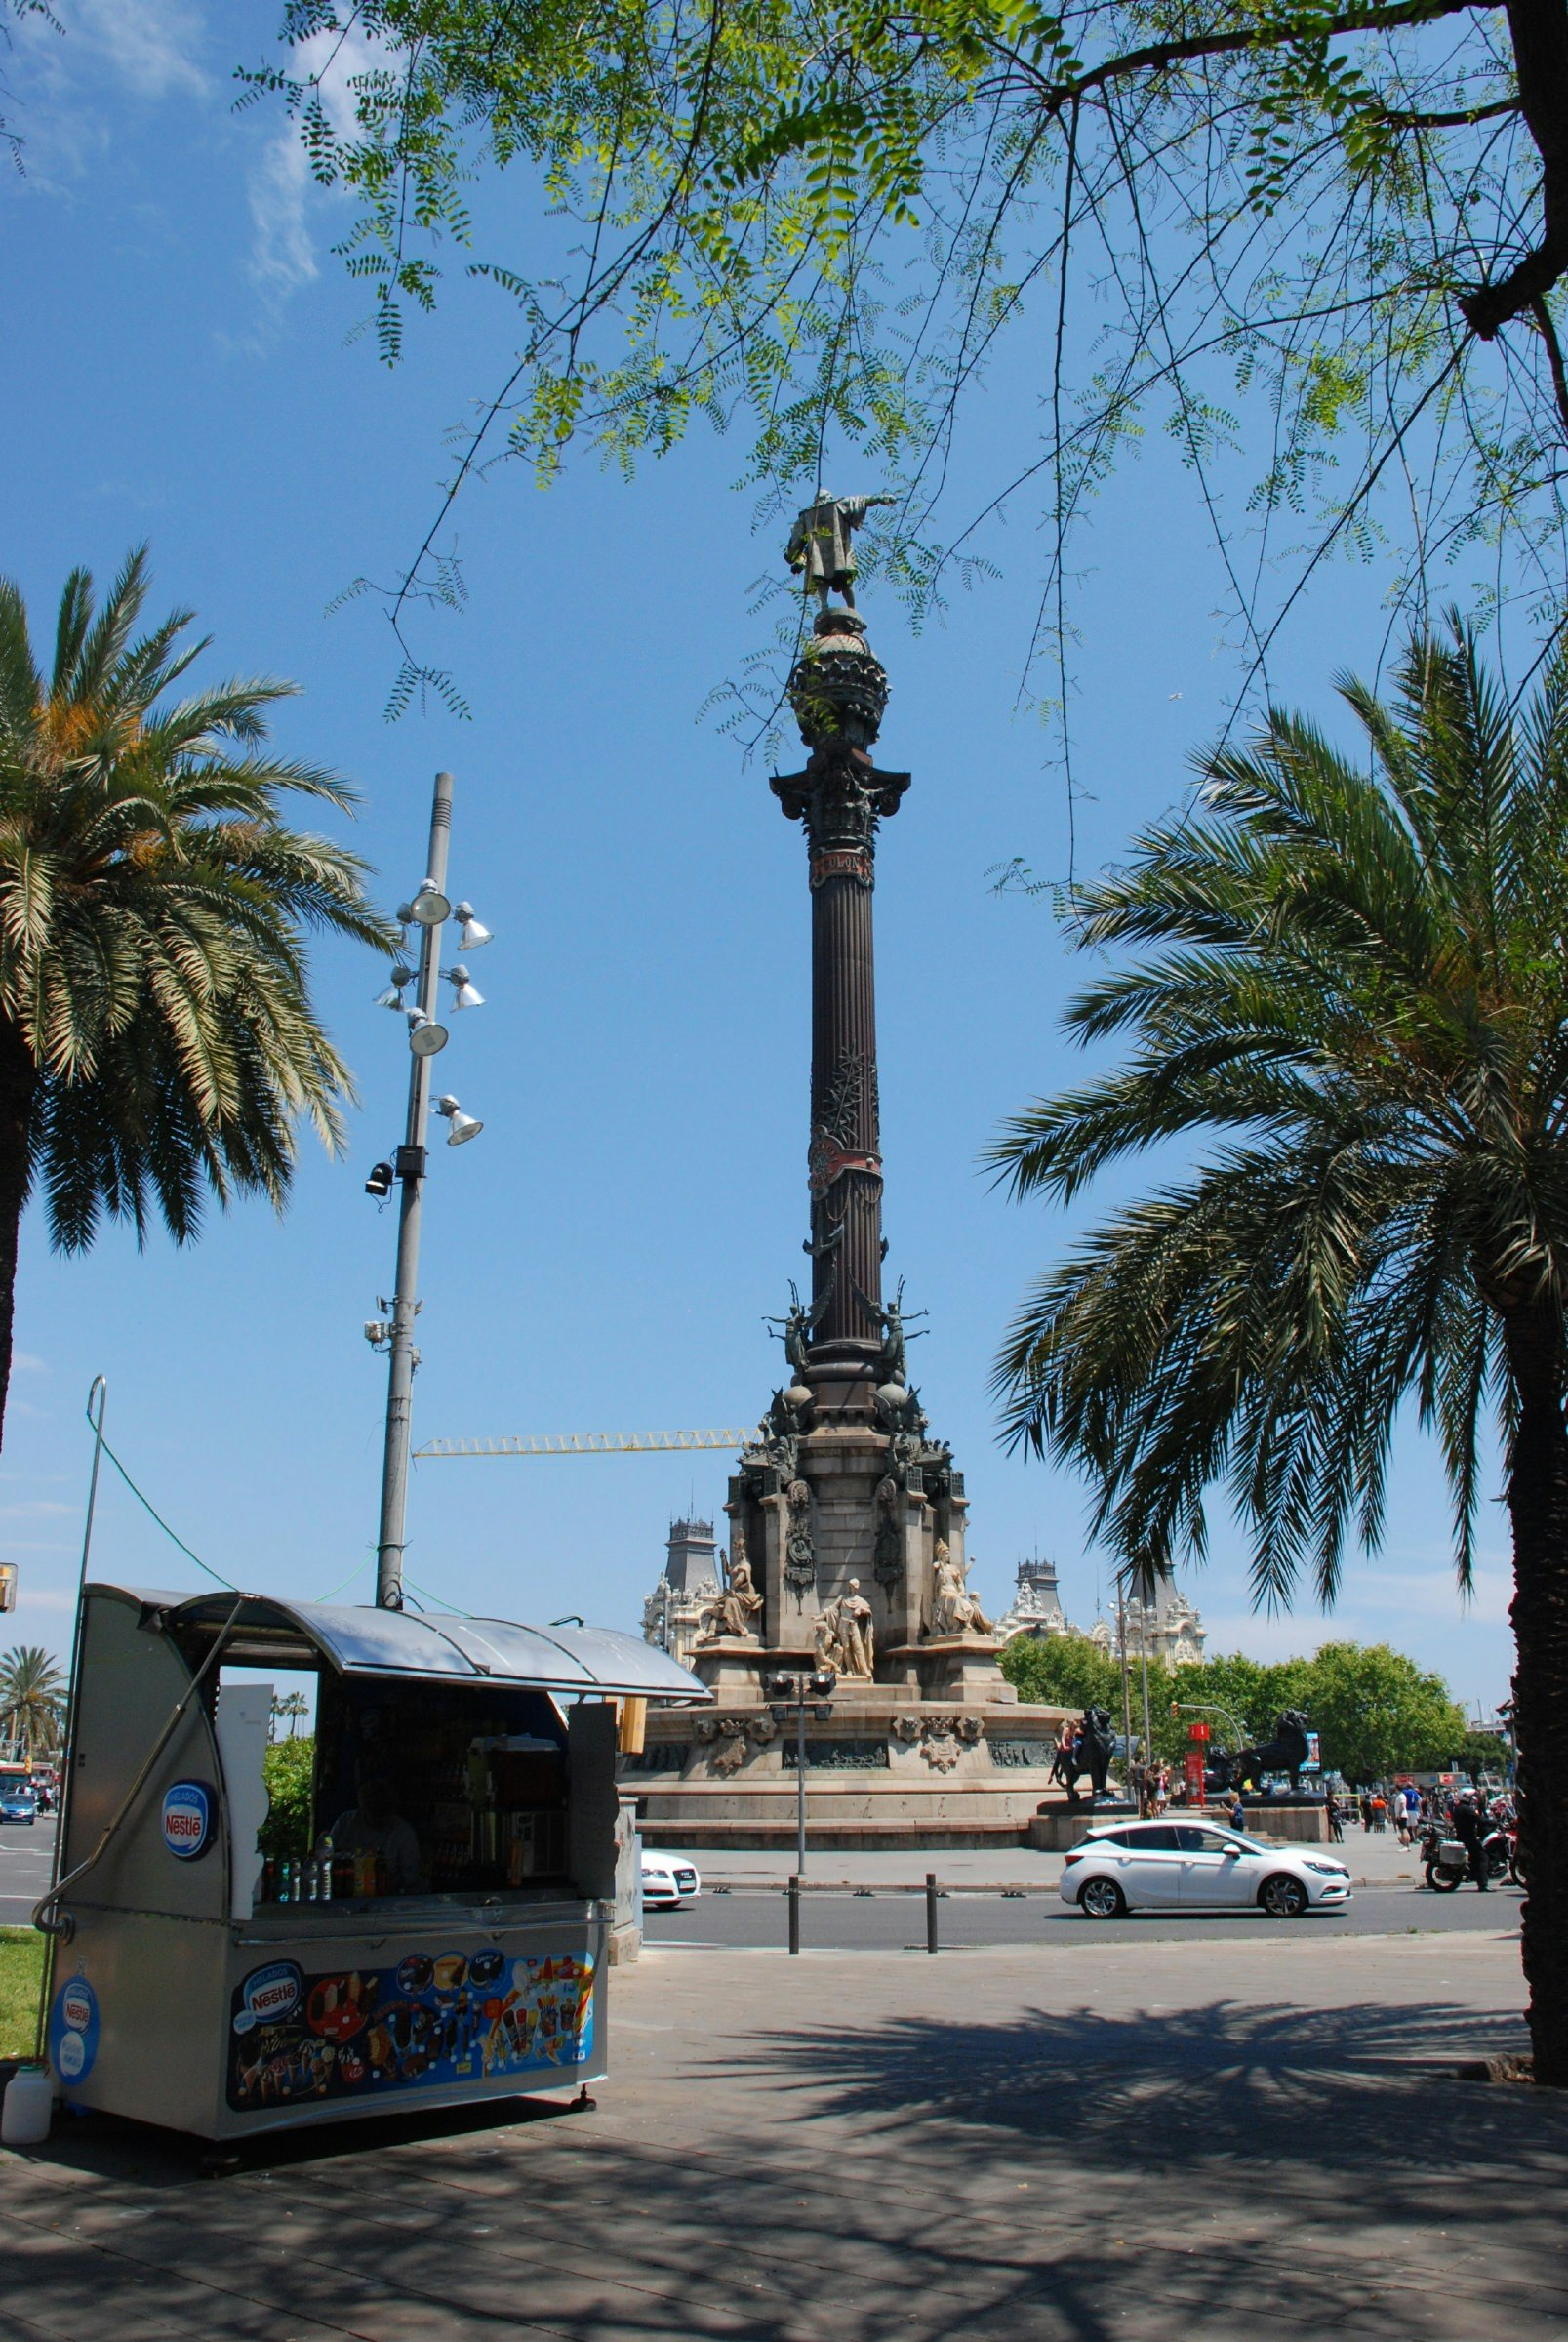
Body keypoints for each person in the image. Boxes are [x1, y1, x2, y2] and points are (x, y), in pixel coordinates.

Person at [322, 1772, 423, 1894]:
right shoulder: (346, 1822)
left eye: (383, 1812)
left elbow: (411, 1876)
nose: (378, 1817)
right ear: (363, 1807)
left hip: (387, 1897)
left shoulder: (403, 1832)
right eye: (373, 1812)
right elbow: (326, 1859)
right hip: (344, 1891)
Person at [1450, 1792, 1489, 1892]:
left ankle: (1474, 1874)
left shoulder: (1458, 1808)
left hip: (1462, 1837)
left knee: (1474, 1858)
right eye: (1471, 1797)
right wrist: (1494, 1822)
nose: (1473, 1799)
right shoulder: (1466, 1809)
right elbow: (1479, 1819)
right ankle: (1483, 1884)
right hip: (1469, 1838)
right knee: (1483, 1857)